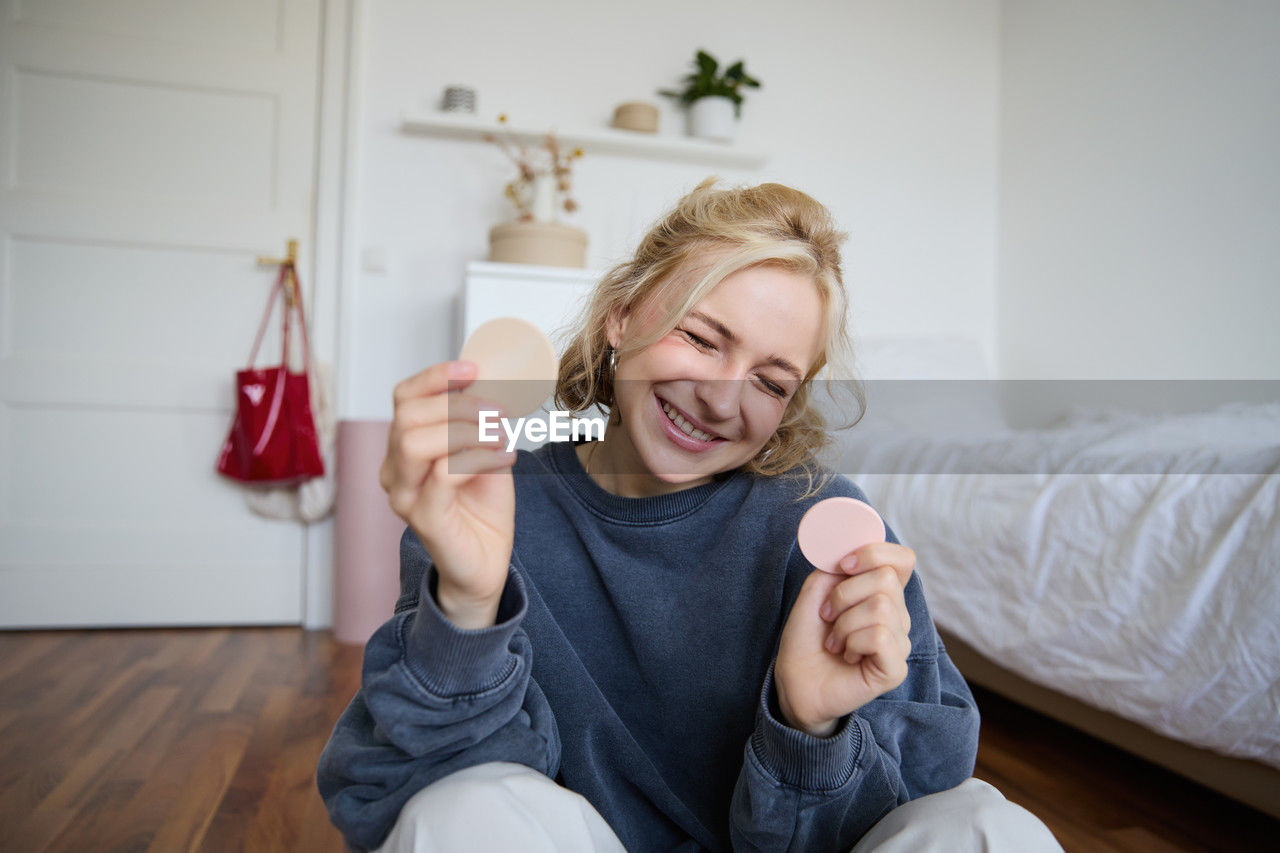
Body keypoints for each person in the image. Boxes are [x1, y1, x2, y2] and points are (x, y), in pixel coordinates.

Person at [317, 179, 1063, 852]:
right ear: (620, 317)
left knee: (988, 825)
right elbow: (400, 796)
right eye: (702, 339)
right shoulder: (492, 501)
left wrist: (811, 727)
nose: (722, 398)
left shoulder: (826, 523)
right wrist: (471, 606)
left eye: (770, 382)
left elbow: (922, 797)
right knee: (462, 809)